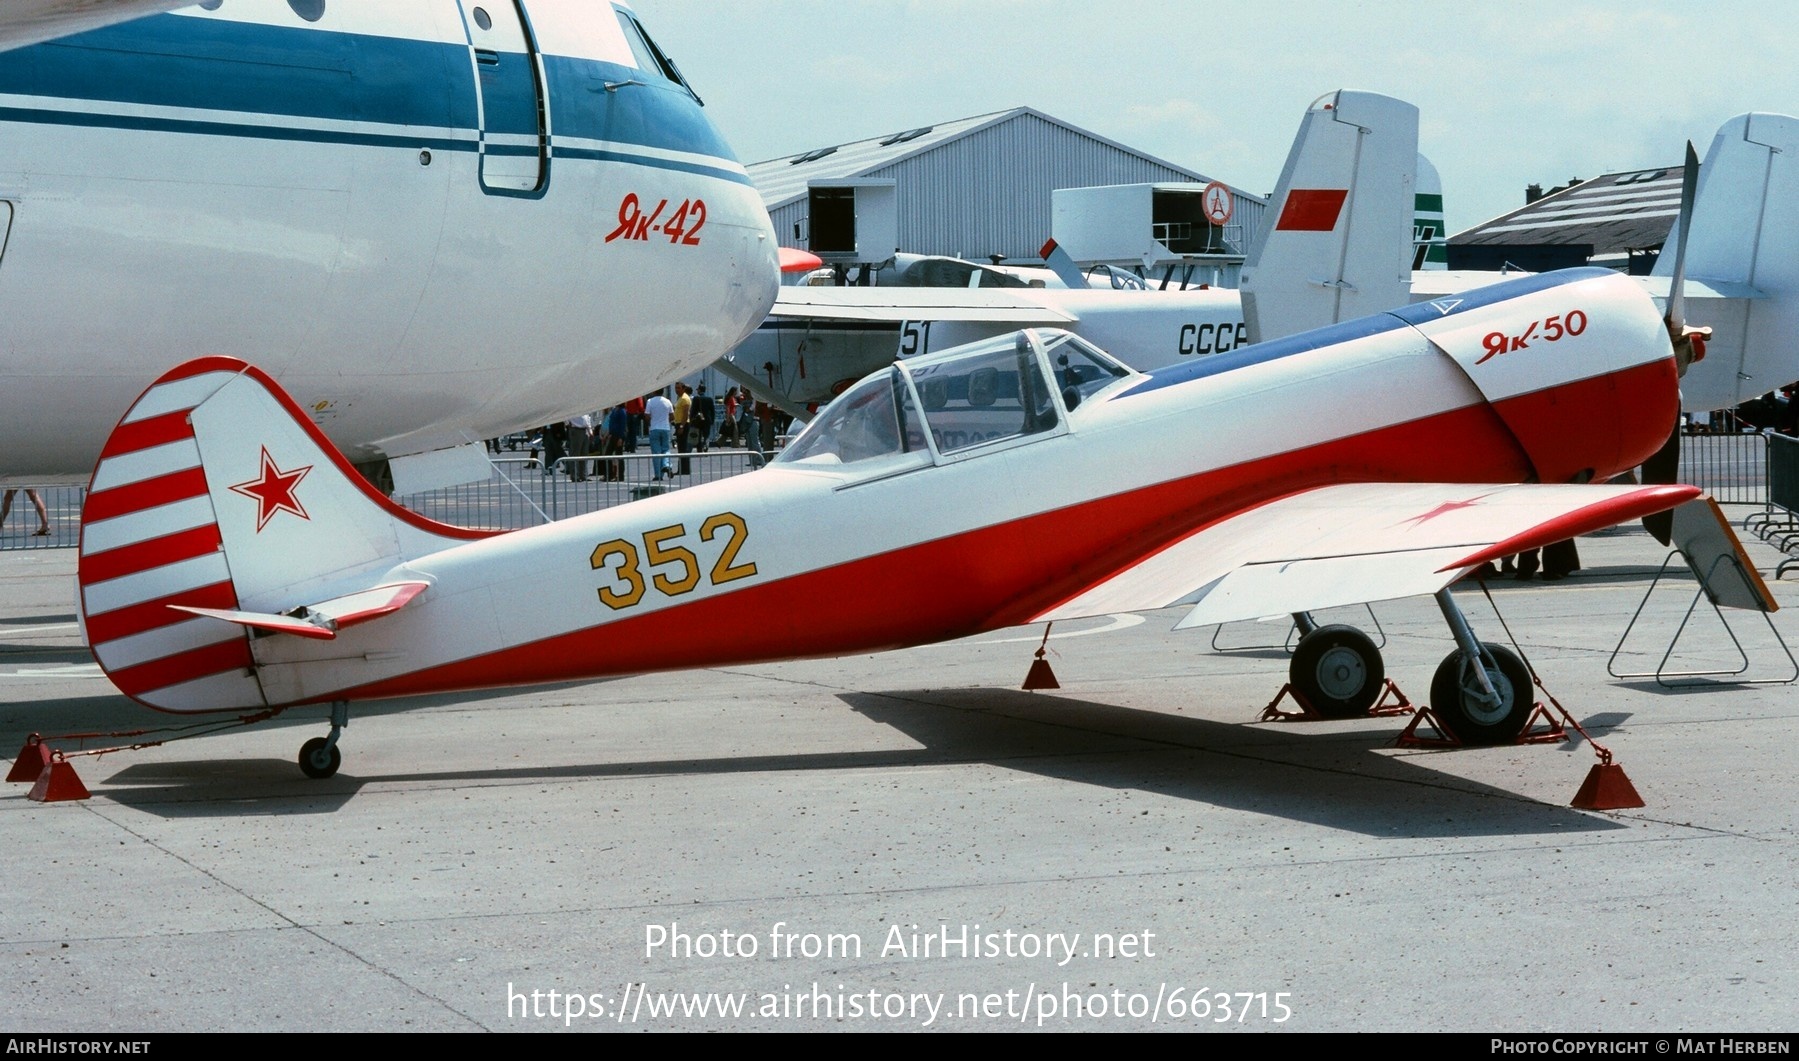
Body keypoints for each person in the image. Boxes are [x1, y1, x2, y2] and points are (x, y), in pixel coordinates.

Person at [646, 390, 674, 480]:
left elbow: (647, 415)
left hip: (654, 428)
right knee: (666, 449)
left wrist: (650, 422)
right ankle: (666, 464)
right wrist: (667, 421)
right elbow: (672, 416)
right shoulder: (667, 401)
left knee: (656, 453)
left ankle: (658, 475)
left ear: (654, 392)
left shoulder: (650, 401)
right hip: (665, 428)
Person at [672, 383, 693, 475]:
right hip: (679, 423)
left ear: (683, 389)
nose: (676, 390)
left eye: (679, 388)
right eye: (676, 388)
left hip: (683, 424)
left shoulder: (685, 399)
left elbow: (686, 414)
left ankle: (684, 470)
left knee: (683, 448)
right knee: (681, 448)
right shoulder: (680, 398)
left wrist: (681, 426)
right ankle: (682, 469)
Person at [604, 404, 629, 481]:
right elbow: (612, 423)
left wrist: (621, 438)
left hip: (619, 436)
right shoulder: (614, 410)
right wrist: (609, 433)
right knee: (607, 454)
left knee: (619, 455)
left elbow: (622, 425)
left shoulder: (622, 411)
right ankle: (609, 475)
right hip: (613, 435)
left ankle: (621, 476)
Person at [565, 413, 592, 482]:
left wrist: (590, 430)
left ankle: (583, 475)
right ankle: (575, 476)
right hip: (576, 429)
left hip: (585, 430)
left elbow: (587, 418)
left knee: (584, 454)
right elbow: (566, 416)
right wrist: (568, 424)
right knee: (575, 454)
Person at [692, 384, 715, 454]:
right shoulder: (709, 399)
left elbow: (693, 410)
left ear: (699, 390)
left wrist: (692, 418)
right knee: (706, 434)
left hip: (698, 419)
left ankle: (699, 448)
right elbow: (712, 411)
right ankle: (706, 445)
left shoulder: (696, 399)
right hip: (707, 419)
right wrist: (712, 420)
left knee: (698, 434)